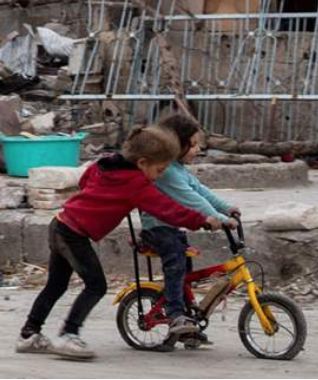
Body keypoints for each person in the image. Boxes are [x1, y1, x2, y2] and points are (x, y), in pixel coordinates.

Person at [16, 125, 232, 361]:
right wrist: (202, 221)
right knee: (96, 286)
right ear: (142, 162)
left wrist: (106, 198)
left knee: (56, 286)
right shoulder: (136, 184)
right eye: (159, 170)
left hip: (61, 224)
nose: (160, 176)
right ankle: (69, 334)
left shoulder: (107, 163)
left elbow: (86, 180)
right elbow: (168, 210)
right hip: (72, 234)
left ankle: (28, 335)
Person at [139, 112, 239, 346]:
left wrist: (226, 208)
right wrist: (220, 219)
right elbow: (193, 200)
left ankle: (188, 324)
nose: (197, 149)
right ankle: (176, 315)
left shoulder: (179, 169)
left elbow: (201, 191)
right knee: (176, 265)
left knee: (185, 271)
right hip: (157, 230)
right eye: (192, 145)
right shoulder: (168, 172)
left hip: (171, 228)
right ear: (176, 145)